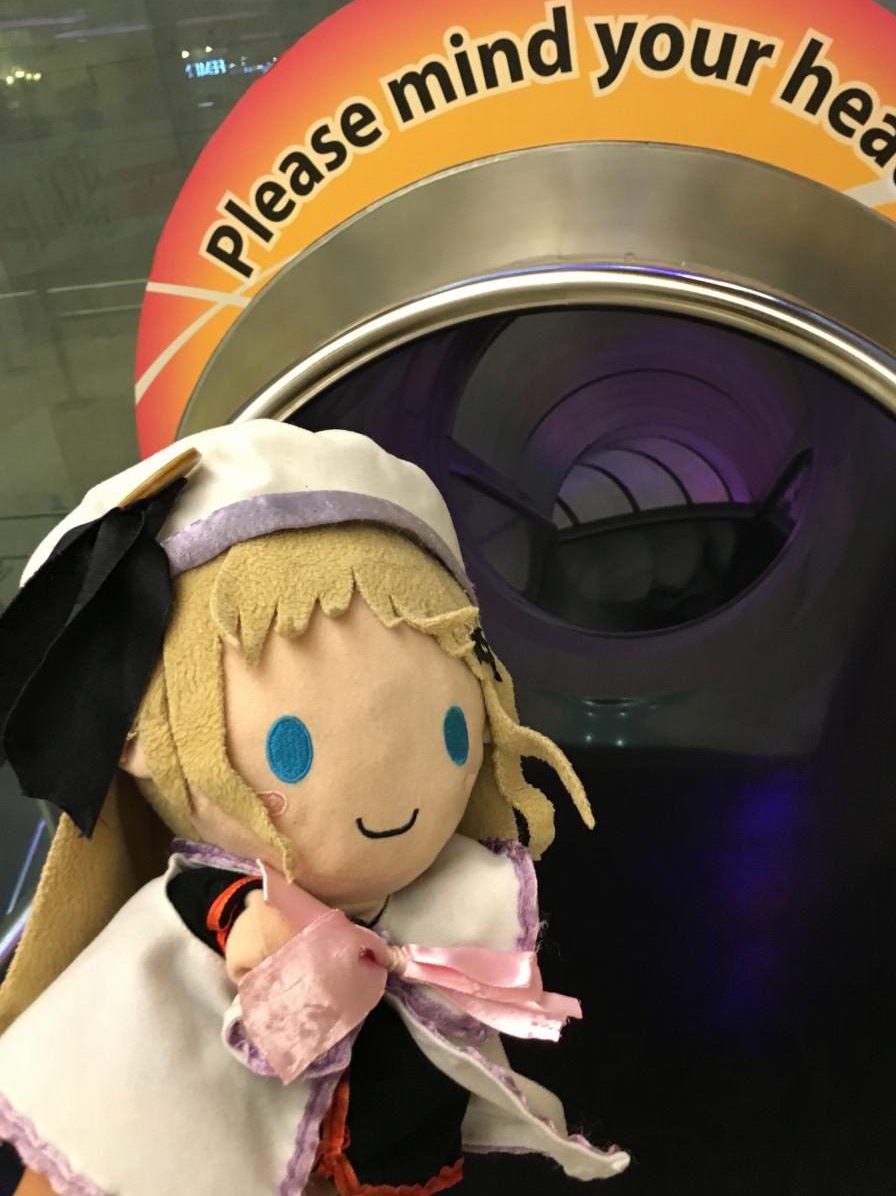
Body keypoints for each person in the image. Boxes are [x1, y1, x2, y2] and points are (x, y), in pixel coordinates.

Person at [0, 422, 629, 1196]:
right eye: (289, 750)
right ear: (143, 738)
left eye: (450, 732)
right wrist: (254, 929)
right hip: (224, 1107)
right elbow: (209, 919)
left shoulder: (449, 887)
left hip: (395, 1138)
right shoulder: (209, 906)